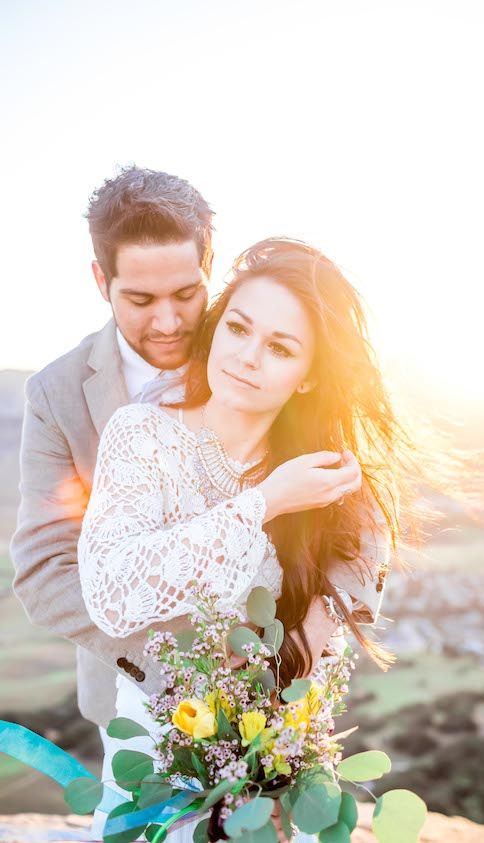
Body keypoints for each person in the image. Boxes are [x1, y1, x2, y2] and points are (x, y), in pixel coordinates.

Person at [10, 169, 391, 838]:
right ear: (102, 283)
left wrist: (291, 662)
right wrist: (195, 685)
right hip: (149, 703)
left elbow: (360, 531)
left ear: (210, 273)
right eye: (140, 298)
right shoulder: (60, 394)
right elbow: (46, 573)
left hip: (280, 722)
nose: (169, 320)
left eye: (188, 294)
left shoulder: (258, 347)